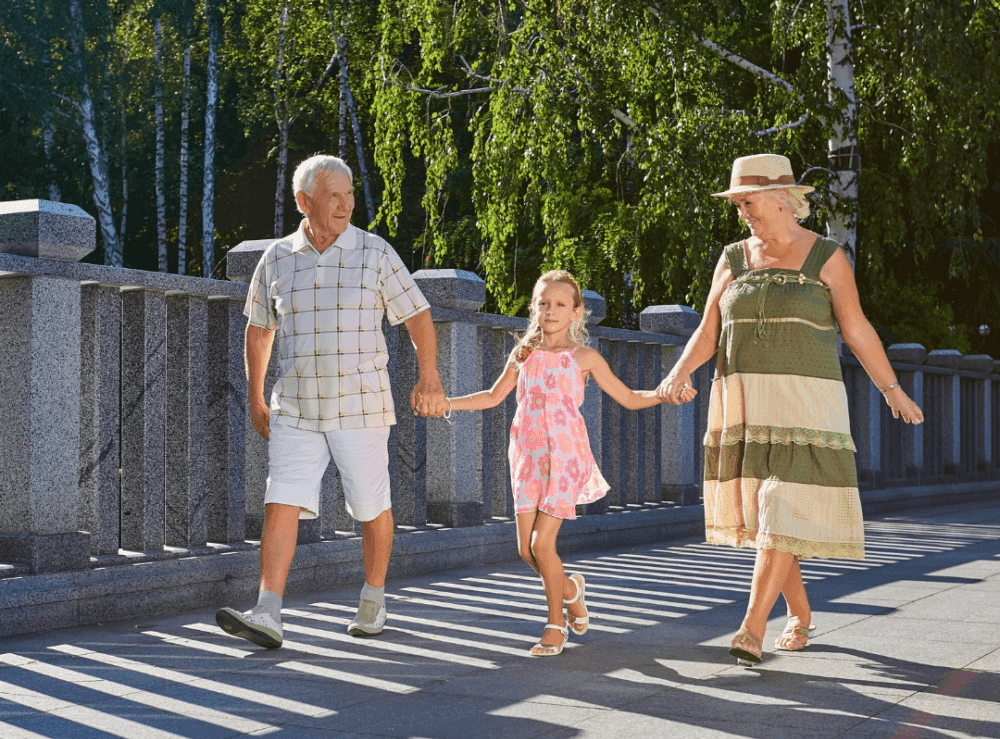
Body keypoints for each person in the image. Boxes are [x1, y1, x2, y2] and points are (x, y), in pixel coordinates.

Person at [658, 153, 924, 665]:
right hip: (746, 403)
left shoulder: (826, 256)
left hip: (809, 406)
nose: (742, 212)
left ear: (783, 199)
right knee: (767, 517)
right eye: (736, 204)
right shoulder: (733, 258)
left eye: (748, 202)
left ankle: (750, 628)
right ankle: (799, 613)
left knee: (781, 508)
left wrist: (892, 389)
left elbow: (857, 328)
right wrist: (678, 372)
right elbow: (709, 330)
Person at [216, 154, 447, 649]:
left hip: (361, 404)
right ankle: (268, 610)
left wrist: (429, 377)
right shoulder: (276, 257)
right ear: (304, 202)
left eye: (349, 195)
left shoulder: (375, 252)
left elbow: (418, 317)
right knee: (281, 500)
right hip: (295, 404)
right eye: (332, 196)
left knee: (370, 505)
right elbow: (259, 331)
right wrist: (257, 397)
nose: (344, 205)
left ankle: (374, 596)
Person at [447, 270, 690, 656]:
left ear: (577, 312)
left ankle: (555, 624)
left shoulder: (584, 357)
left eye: (560, 304)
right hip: (526, 455)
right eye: (543, 303)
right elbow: (493, 396)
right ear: (533, 308)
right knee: (526, 551)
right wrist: (447, 403)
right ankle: (572, 591)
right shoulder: (523, 352)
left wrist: (665, 396)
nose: (550, 311)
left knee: (542, 543)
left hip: (564, 456)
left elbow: (628, 397)